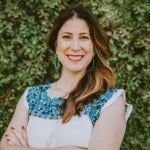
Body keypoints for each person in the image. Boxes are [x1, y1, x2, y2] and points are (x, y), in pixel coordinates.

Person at [0, 4, 132, 150]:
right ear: (56, 46)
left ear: (94, 48)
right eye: (67, 37)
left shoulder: (111, 101)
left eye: (84, 37)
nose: (75, 47)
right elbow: (6, 146)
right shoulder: (31, 96)